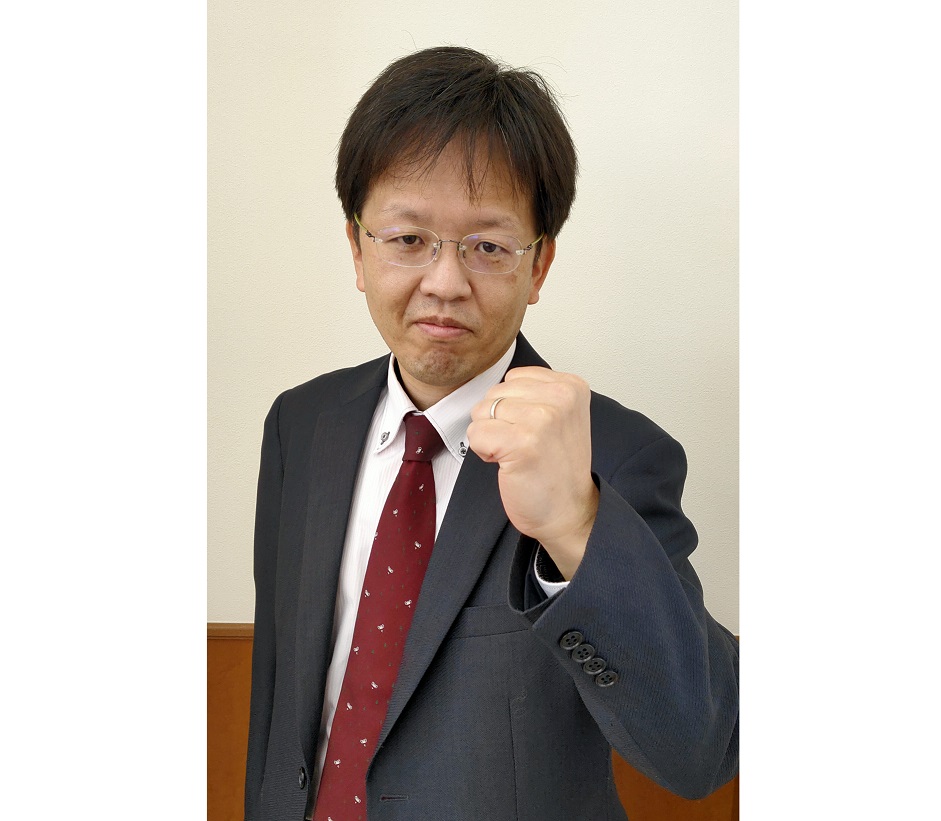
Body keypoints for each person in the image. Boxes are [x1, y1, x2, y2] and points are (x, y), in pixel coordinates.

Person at [245, 46, 738, 821]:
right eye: (407, 238)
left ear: (537, 267)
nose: (444, 282)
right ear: (357, 249)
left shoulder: (615, 455)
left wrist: (576, 524)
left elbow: (698, 749)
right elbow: (279, 695)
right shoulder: (300, 424)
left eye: (487, 246)